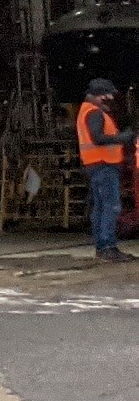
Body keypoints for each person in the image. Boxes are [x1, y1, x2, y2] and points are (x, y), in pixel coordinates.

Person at [79, 76, 128, 263]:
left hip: (96, 165)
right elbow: (98, 138)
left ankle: (103, 246)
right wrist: (122, 138)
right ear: (98, 95)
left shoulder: (88, 111)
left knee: (100, 207)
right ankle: (107, 246)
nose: (110, 99)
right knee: (111, 206)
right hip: (104, 165)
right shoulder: (94, 113)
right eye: (106, 96)